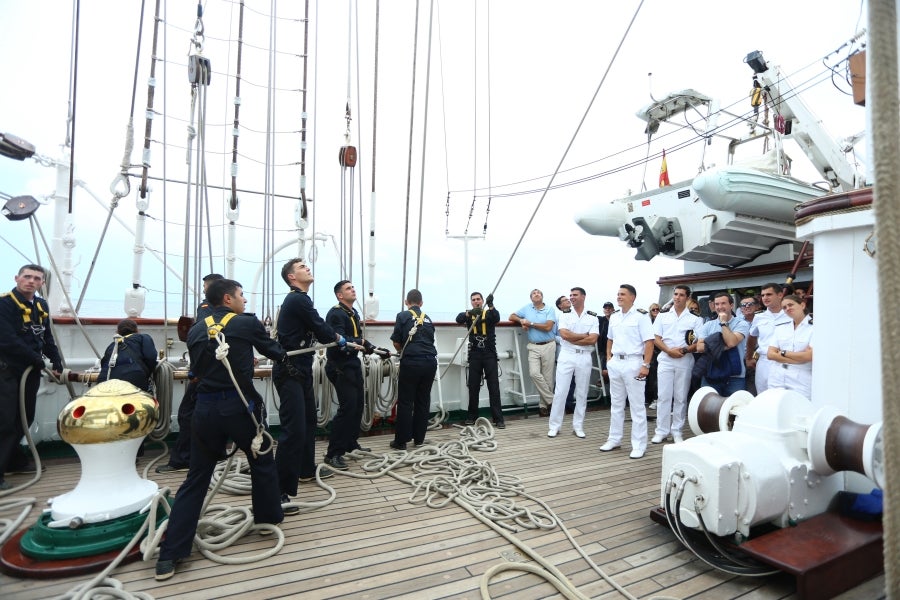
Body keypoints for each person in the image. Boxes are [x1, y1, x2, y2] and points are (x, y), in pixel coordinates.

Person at [155, 278, 286, 581]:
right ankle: (267, 518)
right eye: (241, 295)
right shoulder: (245, 323)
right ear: (228, 299)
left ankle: (170, 553)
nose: (245, 301)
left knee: (197, 477)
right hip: (239, 408)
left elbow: (198, 370)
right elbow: (275, 351)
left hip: (205, 410)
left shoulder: (197, 330)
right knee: (262, 460)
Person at [273, 259, 344, 498]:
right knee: (293, 430)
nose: (307, 268)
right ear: (292, 277)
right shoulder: (297, 299)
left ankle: (304, 469)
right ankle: (278, 492)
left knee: (308, 423)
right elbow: (321, 328)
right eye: (302, 267)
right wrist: (338, 338)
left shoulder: (300, 300)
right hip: (290, 370)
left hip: (301, 370)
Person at [0, 264, 63, 490]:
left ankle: (13, 461)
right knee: (4, 421)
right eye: (27, 277)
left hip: (30, 372)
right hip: (6, 371)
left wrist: (56, 361)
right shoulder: (4, 304)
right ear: (17, 278)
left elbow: (46, 337)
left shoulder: (40, 305)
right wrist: (36, 360)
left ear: (42, 283)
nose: (31, 281)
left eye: (37, 278)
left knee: (24, 418)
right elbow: (6, 339)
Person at [157, 273, 224, 474]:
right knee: (219, 414)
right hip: (222, 371)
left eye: (205, 286)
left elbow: (202, 337)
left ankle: (182, 458)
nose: (203, 289)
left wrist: (196, 371)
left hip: (204, 373)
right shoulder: (229, 313)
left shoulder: (205, 308)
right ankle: (218, 453)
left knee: (188, 414)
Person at [324, 280, 386, 470]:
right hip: (340, 366)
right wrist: (362, 341)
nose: (353, 290)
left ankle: (350, 442)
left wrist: (370, 348)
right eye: (348, 288)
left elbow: (356, 342)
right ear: (340, 295)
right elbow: (340, 340)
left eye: (353, 287)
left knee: (358, 405)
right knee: (347, 409)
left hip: (352, 364)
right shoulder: (336, 314)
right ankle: (333, 453)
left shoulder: (352, 313)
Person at [600, 284, 654, 459]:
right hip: (616, 362)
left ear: (632, 297)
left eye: (622, 294)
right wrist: (609, 358)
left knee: (637, 406)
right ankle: (614, 439)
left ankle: (639, 445)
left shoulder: (641, 317)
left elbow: (649, 342)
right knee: (616, 404)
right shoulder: (614, 317)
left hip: (634, 362)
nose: (619, 297)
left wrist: (645, 365)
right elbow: (609, 339)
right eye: (618, 294)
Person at [651, 286, 702, 444]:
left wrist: (686, 349)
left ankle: (677, 431)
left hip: (684, 359)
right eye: (675, 294)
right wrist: (668, 350)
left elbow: (699, 341)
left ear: (687, 298)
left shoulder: (695, 319)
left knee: (680, 397)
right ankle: (661, 431)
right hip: (666, 359)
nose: (677, 297)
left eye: (681, 295)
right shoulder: (662, 316)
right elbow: (655, 338)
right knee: (663, 396)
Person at [547, 287, 598, 439]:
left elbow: (593, 339)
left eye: (575, 295)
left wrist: (573, 337)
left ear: (583, 297)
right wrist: (584, 336)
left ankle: (578, 426)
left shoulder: (592, 317)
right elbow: (564, 334)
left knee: (582, 392)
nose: (571, 298)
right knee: (560, 392)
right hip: (567, 355)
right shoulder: (564, 315)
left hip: (585, 356)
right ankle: (554, 426)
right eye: (570, 295)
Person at [390, 289, 437, 450]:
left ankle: (401, 442)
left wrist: (403, 350)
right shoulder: (429, 319)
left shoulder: (402, 316)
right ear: (421, 303)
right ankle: (419, 439)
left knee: (406, 402)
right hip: (430, 362)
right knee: (423, 401)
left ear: (406, 302)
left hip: (412, 362)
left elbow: (396, 342)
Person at [456, 292, 504, 428]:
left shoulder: (489, 313)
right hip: (475, 353)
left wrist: (490, 305)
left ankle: (498, 419)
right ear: (471, 302)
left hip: (489, 353)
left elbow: (497, 317)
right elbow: (458, 319)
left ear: (482, 301)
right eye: (474, 300)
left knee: (493, 387)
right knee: (473, 386)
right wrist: (469, 313)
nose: (476, 301)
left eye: (478, 299)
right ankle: (472, 416)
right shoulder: (469, 315)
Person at [509, 289, 556, 417]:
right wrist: (521, 321)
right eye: (534, 293)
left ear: (542, 296)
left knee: (548, 378)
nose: (536, 294)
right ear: (531, 298)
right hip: (533, 346)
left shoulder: (549, 309)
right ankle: (552, 401)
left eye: (539, 293)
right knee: (534, 373)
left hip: (549, 345)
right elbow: (511, 316)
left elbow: (548, 327)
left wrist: (530, 323)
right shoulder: (527, 308)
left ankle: (543, 406)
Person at [695, 292, 750, 396]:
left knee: (734, 409)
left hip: (735, 377)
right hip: (711, 375)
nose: (720, 307)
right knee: (707, 409)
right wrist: (721, 346)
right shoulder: (708, 325)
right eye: (717, 304)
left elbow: (731, 342)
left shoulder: (741, 323)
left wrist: (724, 323)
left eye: (723, 303)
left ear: (731, 305)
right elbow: (699, 347)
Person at [745, 283, 790, 394]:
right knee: (763, 396)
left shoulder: (790, 314)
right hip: (764, 361)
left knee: (784, 396)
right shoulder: (759, 317)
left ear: (780, 295)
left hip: (786, 360)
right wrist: (749, 357)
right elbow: (751, 338)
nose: (765, 298)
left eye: (769, 294)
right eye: (763, 295)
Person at [766, 294, 813, 398]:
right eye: (784, 307)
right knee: (775, 408)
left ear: (802, 305)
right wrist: (799, 358)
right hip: (777, 377)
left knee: (800, 409)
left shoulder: (814, 328)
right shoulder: (781, 328)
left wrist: (783, 352)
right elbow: (770, 354)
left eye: (790, 305)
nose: (787, 308)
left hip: (801, 379)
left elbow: (809, 356)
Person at [98, 319, 158, 392]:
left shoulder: (112, 345)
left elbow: (103, 363)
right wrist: (146, 374)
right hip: (134, 381)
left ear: (117, 332)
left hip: (103, 384)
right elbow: (151, 357)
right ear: (137, 330)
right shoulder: (143, 337)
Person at [737, 294, 761, 394]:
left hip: (761, 360)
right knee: (743, 392)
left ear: (757, 306)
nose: (747, 306)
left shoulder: (764, 320)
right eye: (743, 305)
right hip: (741, 361)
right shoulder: (736, 322)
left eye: (750, 304)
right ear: (740, 309)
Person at [645, 303, 662, 410]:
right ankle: (653, 399)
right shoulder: (648, 324)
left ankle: (658, 399)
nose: (655, 311)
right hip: (652, 354)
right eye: (653, 310)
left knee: (660, 379)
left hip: (663, 352)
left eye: (657, 309)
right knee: (652, 378)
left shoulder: (663, 322)